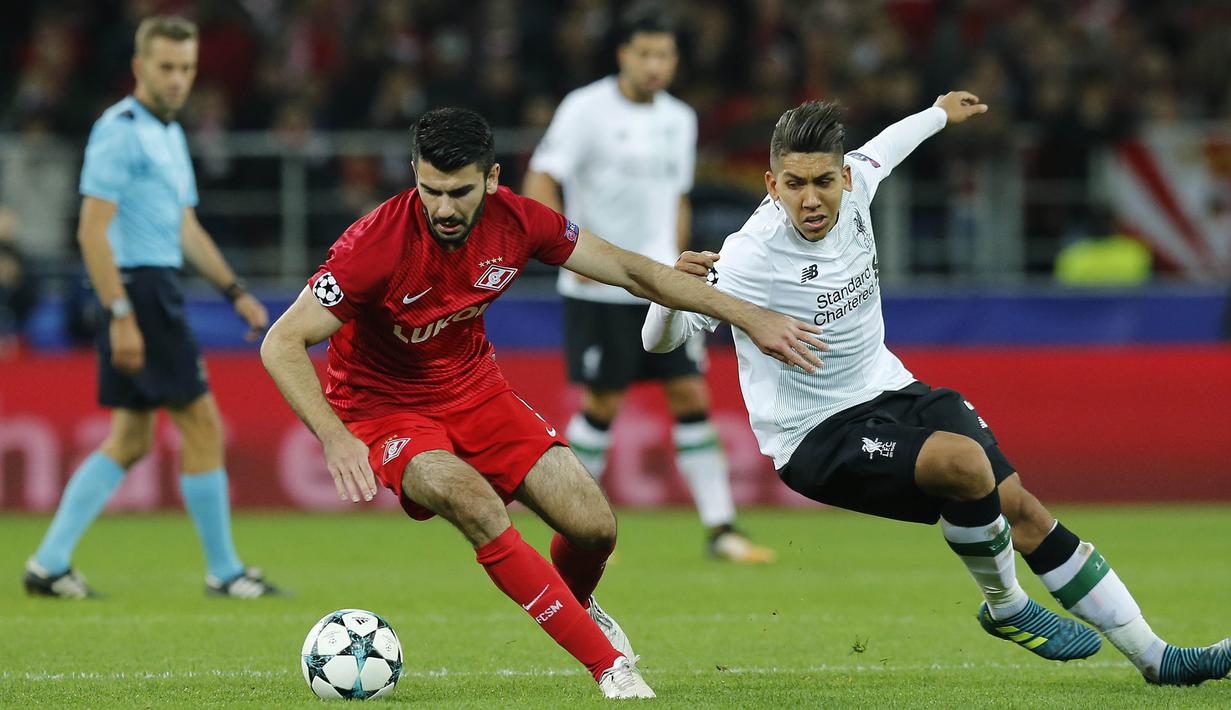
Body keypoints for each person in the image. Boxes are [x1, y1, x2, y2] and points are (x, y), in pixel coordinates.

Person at [643, 93, 1230, 686]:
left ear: (844, 176)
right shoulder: (750, 254)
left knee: (1020, 509)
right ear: (772, 184)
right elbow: (659, 343)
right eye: (795, 184)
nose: (811, 199)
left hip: (892, 389)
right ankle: (1007, 608)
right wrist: (670, 290)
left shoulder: (859, 187)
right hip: (816, 436)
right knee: (965, 465)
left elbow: (889, 147)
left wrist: (939, 112)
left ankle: (1159, 659)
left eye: (824, 181)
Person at [259, 107, 823, 699]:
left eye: (459, 192)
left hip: (476, 390)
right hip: (385, 411)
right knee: (472, 502)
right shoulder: (373, 246)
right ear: (414, 177)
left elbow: (630, 271)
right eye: (431, 191)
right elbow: (282, 341)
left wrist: (751, 316)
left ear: (493, 178)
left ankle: (574, 606)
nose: (445, 208)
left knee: (594, 529)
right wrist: (335, 435)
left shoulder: (521, 222)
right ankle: (611, 666)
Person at [23, 16, 278, 599]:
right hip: (136, 289)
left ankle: (49, 563)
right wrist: (120, 314)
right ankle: (226, 572)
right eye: (166, 67)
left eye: (186, 68)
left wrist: (234, 290)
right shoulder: (119, 129)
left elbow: (185, 227)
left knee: (131, 440)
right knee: (203, 423)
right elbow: (92, 231)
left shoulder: (169, 133)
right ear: (139, 68)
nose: (177, 79)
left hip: (150, 287)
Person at [523, 9, 774, 563]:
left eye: (665, 56)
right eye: (646, 54)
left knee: (690, 393)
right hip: (600, 284)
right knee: (602, 402)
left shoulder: (680, 118)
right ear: (623, 56)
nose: (656, 65)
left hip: (661, 287)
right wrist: (561, 248)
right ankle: (566, 524)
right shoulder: (585, 109)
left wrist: (678, 269)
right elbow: (542, 174)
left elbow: (677, 198)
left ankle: (721, 529)